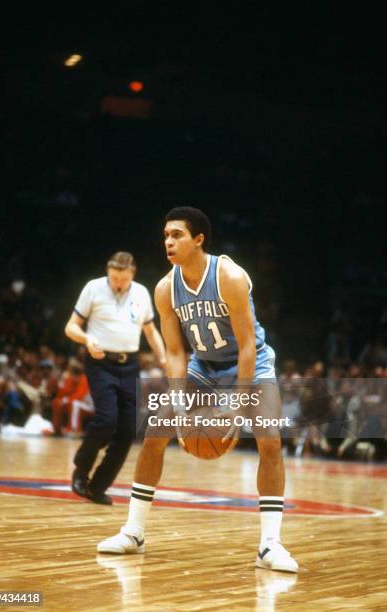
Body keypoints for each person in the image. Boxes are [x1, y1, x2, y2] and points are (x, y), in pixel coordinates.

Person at [97, 208, 298, 572]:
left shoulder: (229, 276)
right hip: (203, 367)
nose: (169, 242)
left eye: (177, 235)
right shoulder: (164, 289)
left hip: (249, 363)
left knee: (269, 439)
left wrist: (238, 407)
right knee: (156, 431)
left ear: (199, 239)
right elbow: (175, 352)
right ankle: (134, 532)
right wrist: (178, 401)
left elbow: (248, 345)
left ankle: (270, 545)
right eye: (165, 236)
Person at [65, 251, 166, 505]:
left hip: (129, 364)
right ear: (108, 273)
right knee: (107, 419)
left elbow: (151, 330)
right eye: (113, 277)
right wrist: (87, 339)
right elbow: (71, 326)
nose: (118, 283)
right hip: (100, 363)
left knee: (128, 430)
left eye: (123, 278)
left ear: (132, 274)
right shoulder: (93, 288)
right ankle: (81, 468)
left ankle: (97, 486)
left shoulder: (142, 292)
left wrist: (164, 358)